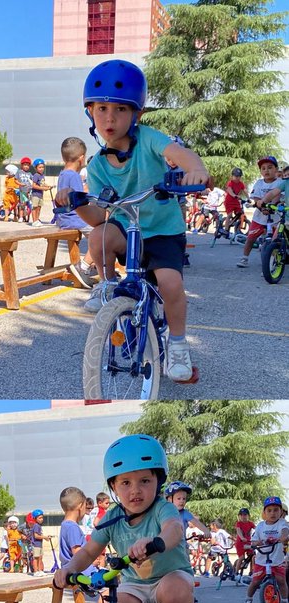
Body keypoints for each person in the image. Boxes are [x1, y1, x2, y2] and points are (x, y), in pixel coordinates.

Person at [57, 59, 209, 382]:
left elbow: (181, 156)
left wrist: (194, 167)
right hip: (129, 230)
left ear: (136, 114)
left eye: (120, 110)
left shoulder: (150, 140)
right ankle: (107, 285)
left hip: (163, 231)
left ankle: (178, 344)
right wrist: (77, 202)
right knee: (98, 236)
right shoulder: (97, 165)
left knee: (170, 284)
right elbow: (99, 214)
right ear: (90, 113)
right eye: (101, 109)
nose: (109, 118)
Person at [53, 434, 209, 603]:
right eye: (125, 483)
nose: (135, 490)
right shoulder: (114, 517)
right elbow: (87, 551)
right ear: (113, 487)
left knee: (176, 590)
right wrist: (69, 569)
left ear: (159, 481)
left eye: (145, 481)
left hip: (170, 577)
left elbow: (174, 529)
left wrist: (155, 541)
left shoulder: (163, 508)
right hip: (133, 585)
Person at [55, 136, 96, 286]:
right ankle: (83, 267)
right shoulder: (74, 176)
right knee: (100, 236)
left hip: (64, 218)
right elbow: (80, 201)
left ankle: (92, 265)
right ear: (82, 158)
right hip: (75, 219)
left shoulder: (63, 173)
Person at [236, 157, 283, 267]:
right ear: (261, 171)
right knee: (251, 238)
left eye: (270, 168)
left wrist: (272, 205)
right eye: (263, 168)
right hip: (259, 217)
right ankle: (244, 258)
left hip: (276, 217)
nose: (266, 170)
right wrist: (261, 207)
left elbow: (278, 196)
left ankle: (272, 264)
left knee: (275, 241)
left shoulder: (280, 182)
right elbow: (256, 198)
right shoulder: (259, 183)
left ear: (276, 169)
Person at [244, 497, 289, 603]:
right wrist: (258, 543)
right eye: (269, 510)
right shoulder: (260, 526)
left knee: (281, 581)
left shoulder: (282, 523)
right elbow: (254, 541)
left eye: (276, 510)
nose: (272, 513)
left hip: (277, 560)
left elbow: (285, 531)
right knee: (255, 582)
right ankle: (248, 598)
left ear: (281, 512)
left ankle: (284, 601)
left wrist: (284, 538)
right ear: (264, 513)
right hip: (261, 560)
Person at [58, 487, 88, 569]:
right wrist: (91, 561)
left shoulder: (65, 525)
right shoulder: (72, 527)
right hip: (80, 573)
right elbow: (77, 552)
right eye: (85, 506)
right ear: (80, 506)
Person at [222, 168, 248, 242]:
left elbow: (245, 191)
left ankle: (238, 229)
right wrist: (234, 195)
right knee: (229, 215)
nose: (237, 178)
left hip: (236, 201)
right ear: (232, 176)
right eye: (236, 176)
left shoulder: (241, 184)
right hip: (229, 201)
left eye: (239, 176)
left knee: (240, 213)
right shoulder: (230, 183)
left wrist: (248, 198)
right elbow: (229, 190)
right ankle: (226, 230)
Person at [29, 158, 51, 225]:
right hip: (35, 195)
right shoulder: (36, 175)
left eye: (43, 167)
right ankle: (34, 221)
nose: (41, 169)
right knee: (34, 208)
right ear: (36, 168)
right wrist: (42, 188)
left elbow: (42, 184)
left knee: (39, 208)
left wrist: (48, 186)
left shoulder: (42, 176)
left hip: (40, 195)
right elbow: (33, 185)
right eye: (40, 167)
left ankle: (37, 220)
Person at [234, 507, 255, 573]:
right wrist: (242, 537)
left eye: (245, 515)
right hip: (240, 543)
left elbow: (257, 529)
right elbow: (238, 531)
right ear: (239, 516)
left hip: (248, 543)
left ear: (248, 516)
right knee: (242, 557)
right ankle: (236, 572)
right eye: (241, 515)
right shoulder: (239, 523)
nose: (243, 516)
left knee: (253, 556)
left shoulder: (250, 523)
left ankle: (252, 571)